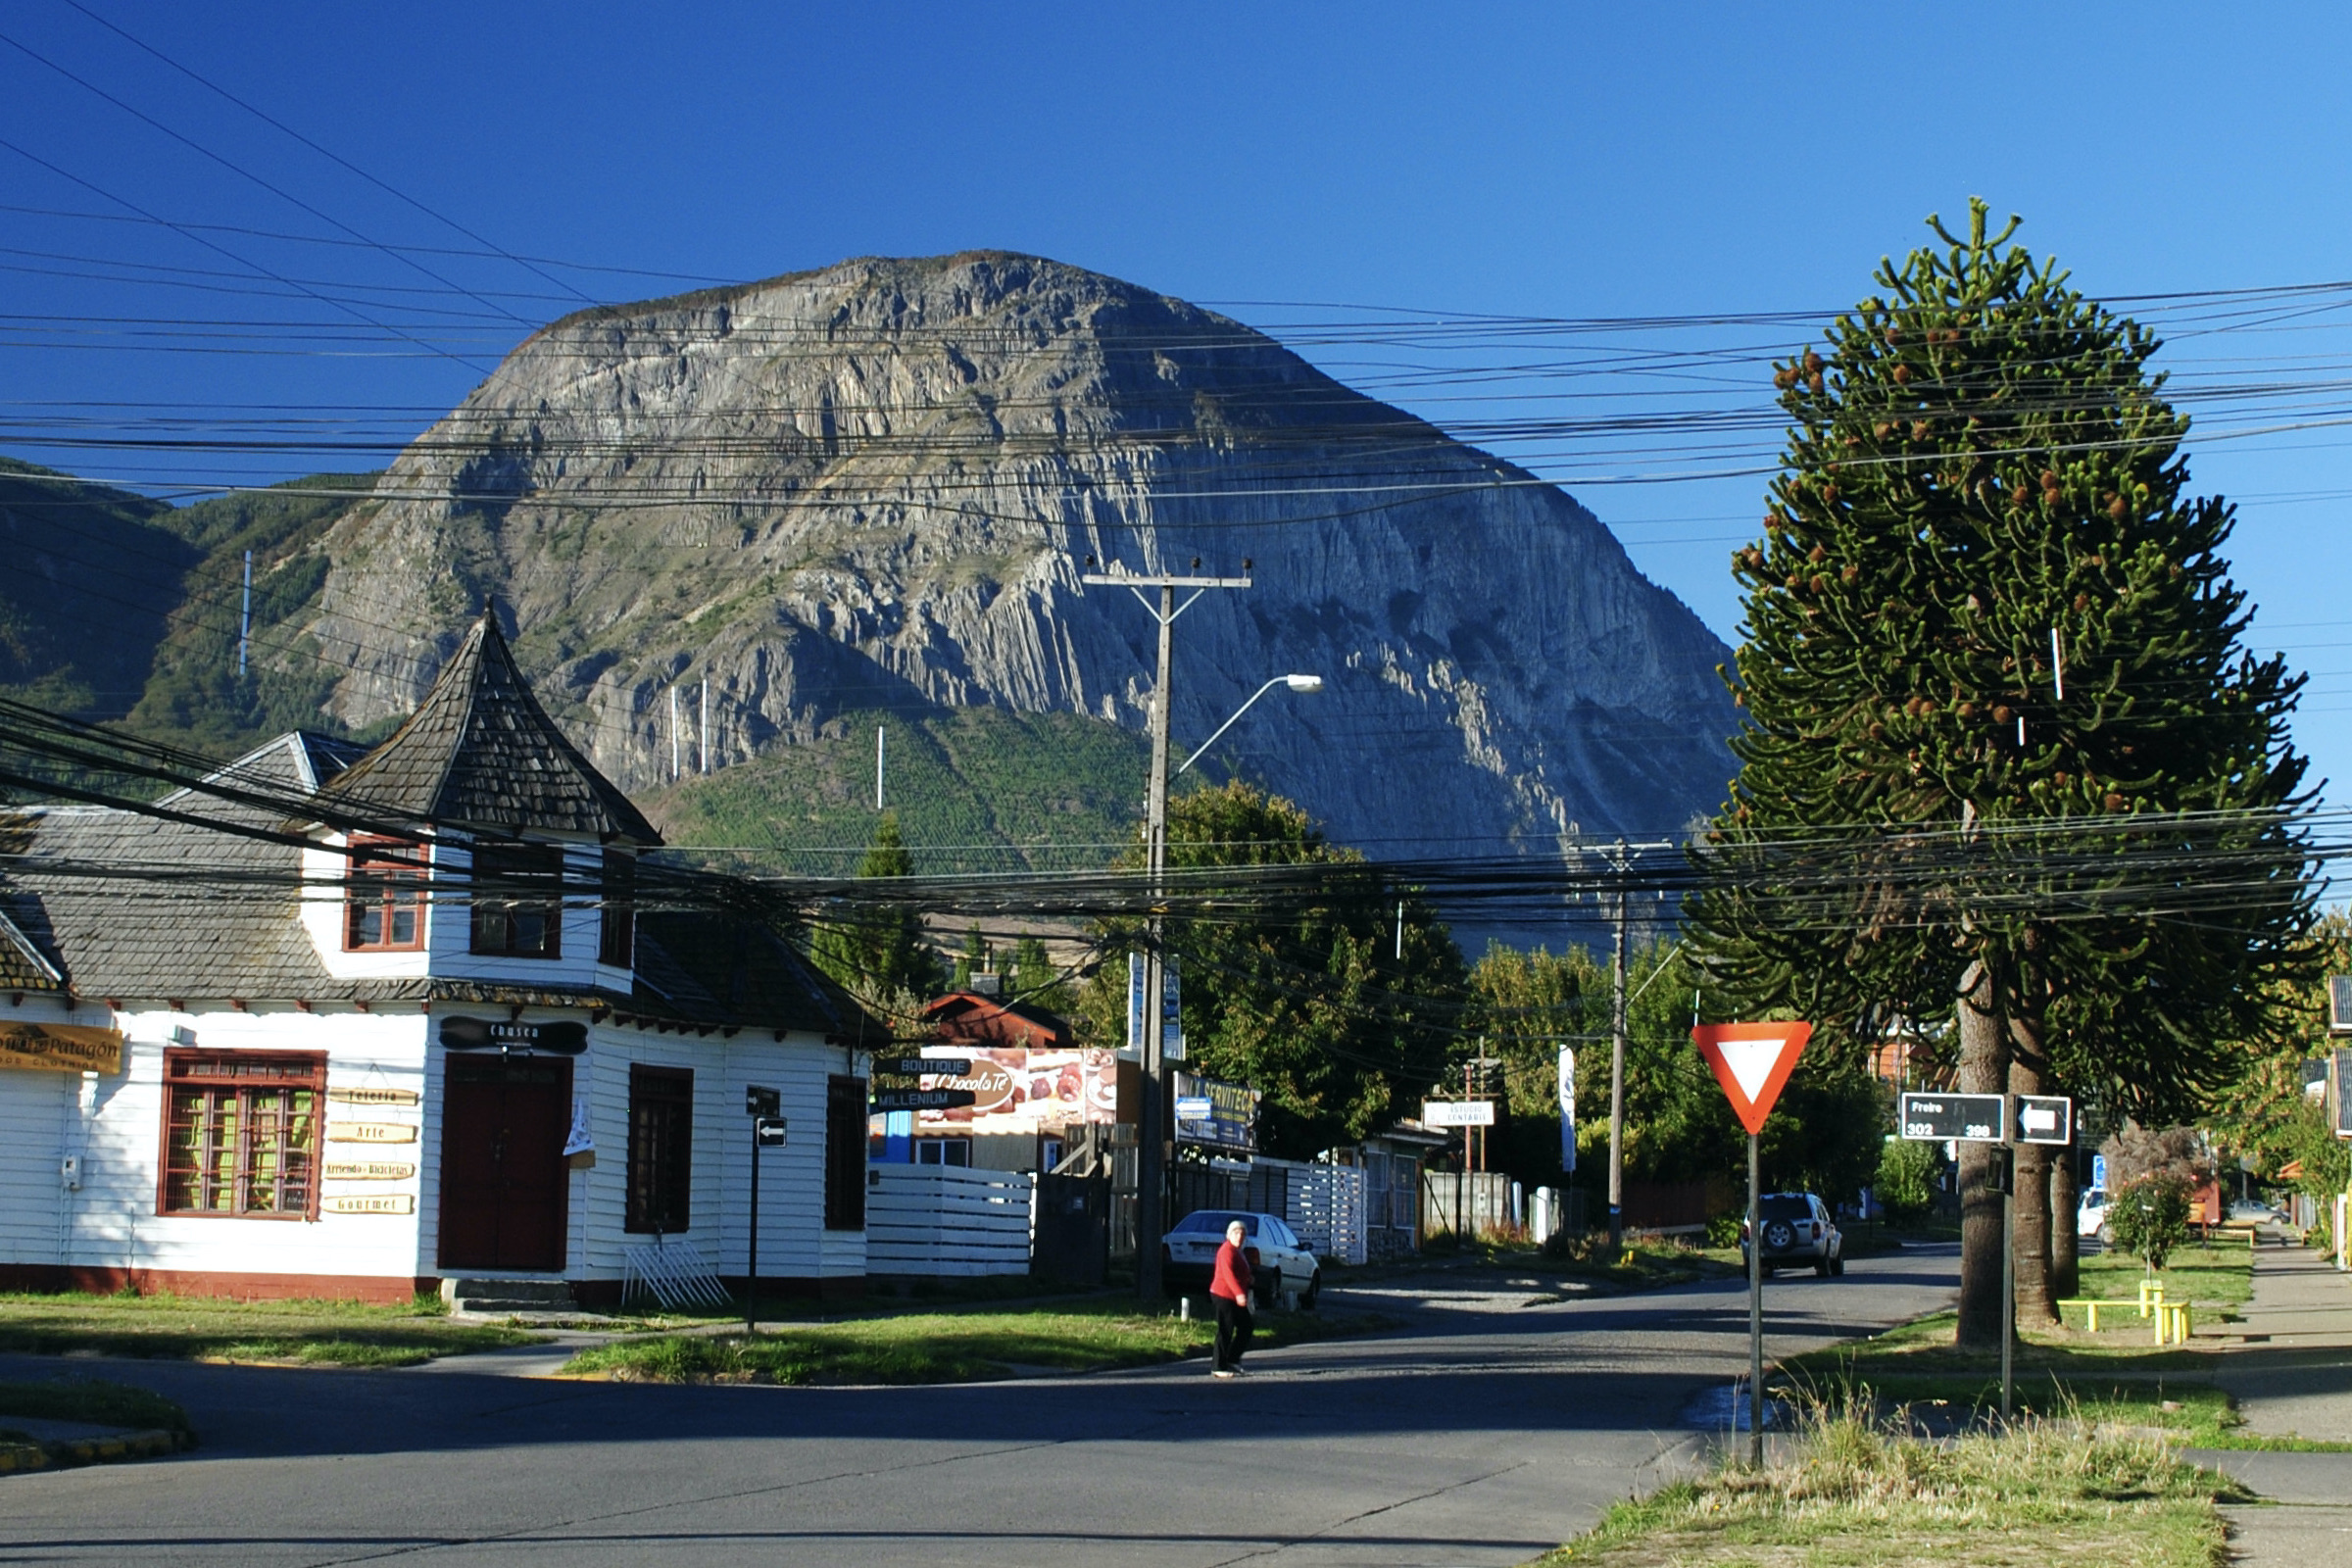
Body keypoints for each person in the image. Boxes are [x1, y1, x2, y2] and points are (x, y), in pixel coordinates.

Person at [1209, 1217, 1254, 1378]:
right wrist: (1239, 1293)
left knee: (1247, 1326)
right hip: (1224, 1295)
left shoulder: (1237, 1251)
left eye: (1242, 1234)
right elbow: (1228, 1275)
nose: (1239, 1237)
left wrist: (1249, 1280)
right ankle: (1218, 1366)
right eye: (1236, 1233)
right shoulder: (1226, 1250)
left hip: (1235, 1297)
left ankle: (1232, 1360)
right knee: (1225, 1329)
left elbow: (1241, 1272)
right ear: (1229, 1235)